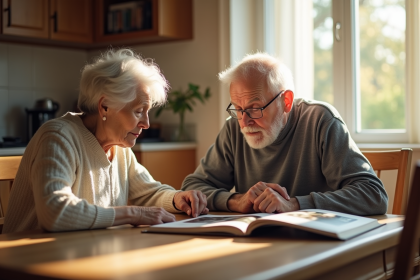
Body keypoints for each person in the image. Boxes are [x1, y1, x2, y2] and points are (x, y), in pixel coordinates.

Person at [3, 49, 208, 234]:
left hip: (82, 253)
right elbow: (55, 212)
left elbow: (148, 193)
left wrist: (177, 198)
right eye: (138, 112)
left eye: (147, 112)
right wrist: (133, 214)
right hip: (30, 260)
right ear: (105, 107)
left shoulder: (120, 147)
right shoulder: (58, 137)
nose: (146, 123)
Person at [182, 52, 388, 216]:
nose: (244, 121)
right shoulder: (233, 128)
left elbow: (373, 194)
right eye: (237, 108)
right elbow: (192, 187)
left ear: (286, 101)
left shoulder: (320, 121)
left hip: (319, 247)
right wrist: (236, 200)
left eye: (255, 108)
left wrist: (294, 204)